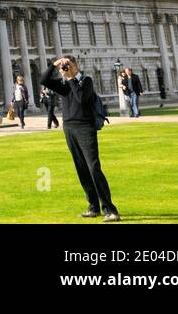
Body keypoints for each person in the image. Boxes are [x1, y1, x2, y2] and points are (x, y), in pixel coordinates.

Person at [41, 55, 119, 222]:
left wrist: (71, 78)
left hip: (85, 128)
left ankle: (110, 209)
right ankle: (93, 206)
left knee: (93, 168)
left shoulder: (86, 81)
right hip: (69, 128)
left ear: (75, 65)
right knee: (81, 169)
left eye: (68, 65)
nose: (65, 69)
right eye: (64, 66)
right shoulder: (63, 85)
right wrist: (54, 65)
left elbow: (80, 98)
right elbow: (44, 80)